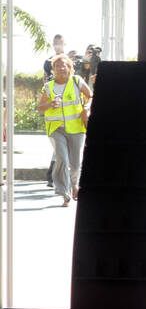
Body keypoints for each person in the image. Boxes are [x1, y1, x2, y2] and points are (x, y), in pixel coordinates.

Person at [37, 54, 92, 208]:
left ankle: (75, 186)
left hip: (76, 128)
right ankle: (64, 192)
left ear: (69, 67)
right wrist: (50, 104)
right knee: (62, 159)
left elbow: (91, 96)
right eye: (57, 66)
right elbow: (40, 109)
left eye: (64, 65)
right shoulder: (48, 87)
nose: (61, 68)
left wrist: (86, 108)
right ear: (53, 70)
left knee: (75, 164)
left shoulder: (77, 81)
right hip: (56, 129)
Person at [42, 35, 65, 188]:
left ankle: (53, 176)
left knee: (61, 147)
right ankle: (53, 176)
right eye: (55, 43)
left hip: (68, 113)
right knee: (58, 145)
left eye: (60, 43)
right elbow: (44, 80)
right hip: (54, 111)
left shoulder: (69, 60)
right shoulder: (47, 62)